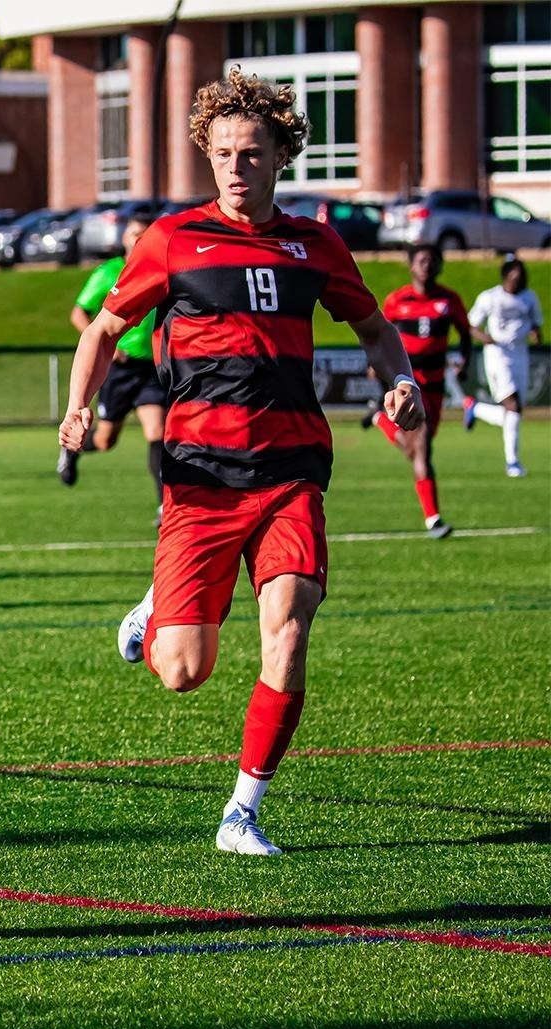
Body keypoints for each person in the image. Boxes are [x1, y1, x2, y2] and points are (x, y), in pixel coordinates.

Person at [61, 69, 423, 856]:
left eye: (250, 153)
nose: (234, 166)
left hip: (292, 471)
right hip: (200, 477)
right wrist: (79, 406)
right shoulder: (172, 239)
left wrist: (400, 381)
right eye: (222, 152)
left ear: (280, 156)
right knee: (184, 671)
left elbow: (372, 327)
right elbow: (100, 330)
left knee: (288, 632)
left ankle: (241, 813)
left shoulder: (316, 244)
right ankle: (158, 611)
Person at [58, 212, 166, 521]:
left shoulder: (160, 269)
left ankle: (162, 505)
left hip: (151, 368)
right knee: (106, 440)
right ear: (123, 237)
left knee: (157, 430)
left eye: (146, 235)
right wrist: (111, 347)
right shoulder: (109, 273)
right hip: (117, 368)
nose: (139, 240)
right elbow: (80, 314)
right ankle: (70, 448)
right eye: (134, 234)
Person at [369, 244, 474, 536]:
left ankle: (382, 422)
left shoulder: (450, 300)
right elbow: (378, 336)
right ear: (411, 266)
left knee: (417, 449)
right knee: (423, 448)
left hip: (436, 385)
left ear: (440, 266)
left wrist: (464, 361)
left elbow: (465, 335)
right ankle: (434, 519)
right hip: (408, 383)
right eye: (421, 261)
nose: (426, 266)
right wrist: (375, 364)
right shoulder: (396, 301)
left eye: (432, 261)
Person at [464, 257, 542, 478]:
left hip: (520, 353)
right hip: (498, 354)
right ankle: (513, 463)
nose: (519, 280)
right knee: (513, 406)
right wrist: (485, 337)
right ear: (506, 276)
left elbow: (535, 323)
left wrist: (536, 333)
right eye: (515, 276)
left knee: (515, 411)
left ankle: (476, 409)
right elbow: (471, 324)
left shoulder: (529, 297)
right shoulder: (490, 297)